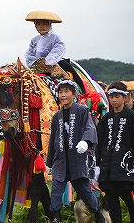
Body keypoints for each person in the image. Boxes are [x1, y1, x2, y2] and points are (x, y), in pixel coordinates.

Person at [46, 80, 105, 223]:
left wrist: (86, 142)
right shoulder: (56, 116)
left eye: (66, 91)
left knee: (86, 192)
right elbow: (53, 139)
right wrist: (49, 163)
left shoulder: (82, 110)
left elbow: (90, 128)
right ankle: (55, 218)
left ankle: (98, 214)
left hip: (77, 160)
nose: (63, 95)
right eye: (60, 92)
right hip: (60, 161)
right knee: (55, 193)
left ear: (74, 94)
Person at [96, 81, 134, 223]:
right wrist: (98, 164)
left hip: (125, 164)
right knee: (111, 196)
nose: (113, 99)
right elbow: (100, 142)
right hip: (108, 165)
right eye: (111, 96)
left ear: (124, 97)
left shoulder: (131, 116)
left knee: (124, 191)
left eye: (117, 96)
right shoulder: (106, 118)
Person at [24, 10, 85, 92]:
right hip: (37, 66)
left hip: (54, 63)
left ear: (50, 25)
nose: (41, 26)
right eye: (39, 24)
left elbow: (59, 48)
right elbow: (29, 54)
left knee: (67, 67)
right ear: (35, 26)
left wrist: (50, 60)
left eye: (44, 24)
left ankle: (83, 90)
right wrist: (35, 63)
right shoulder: (34, 40)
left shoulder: (55, 37)